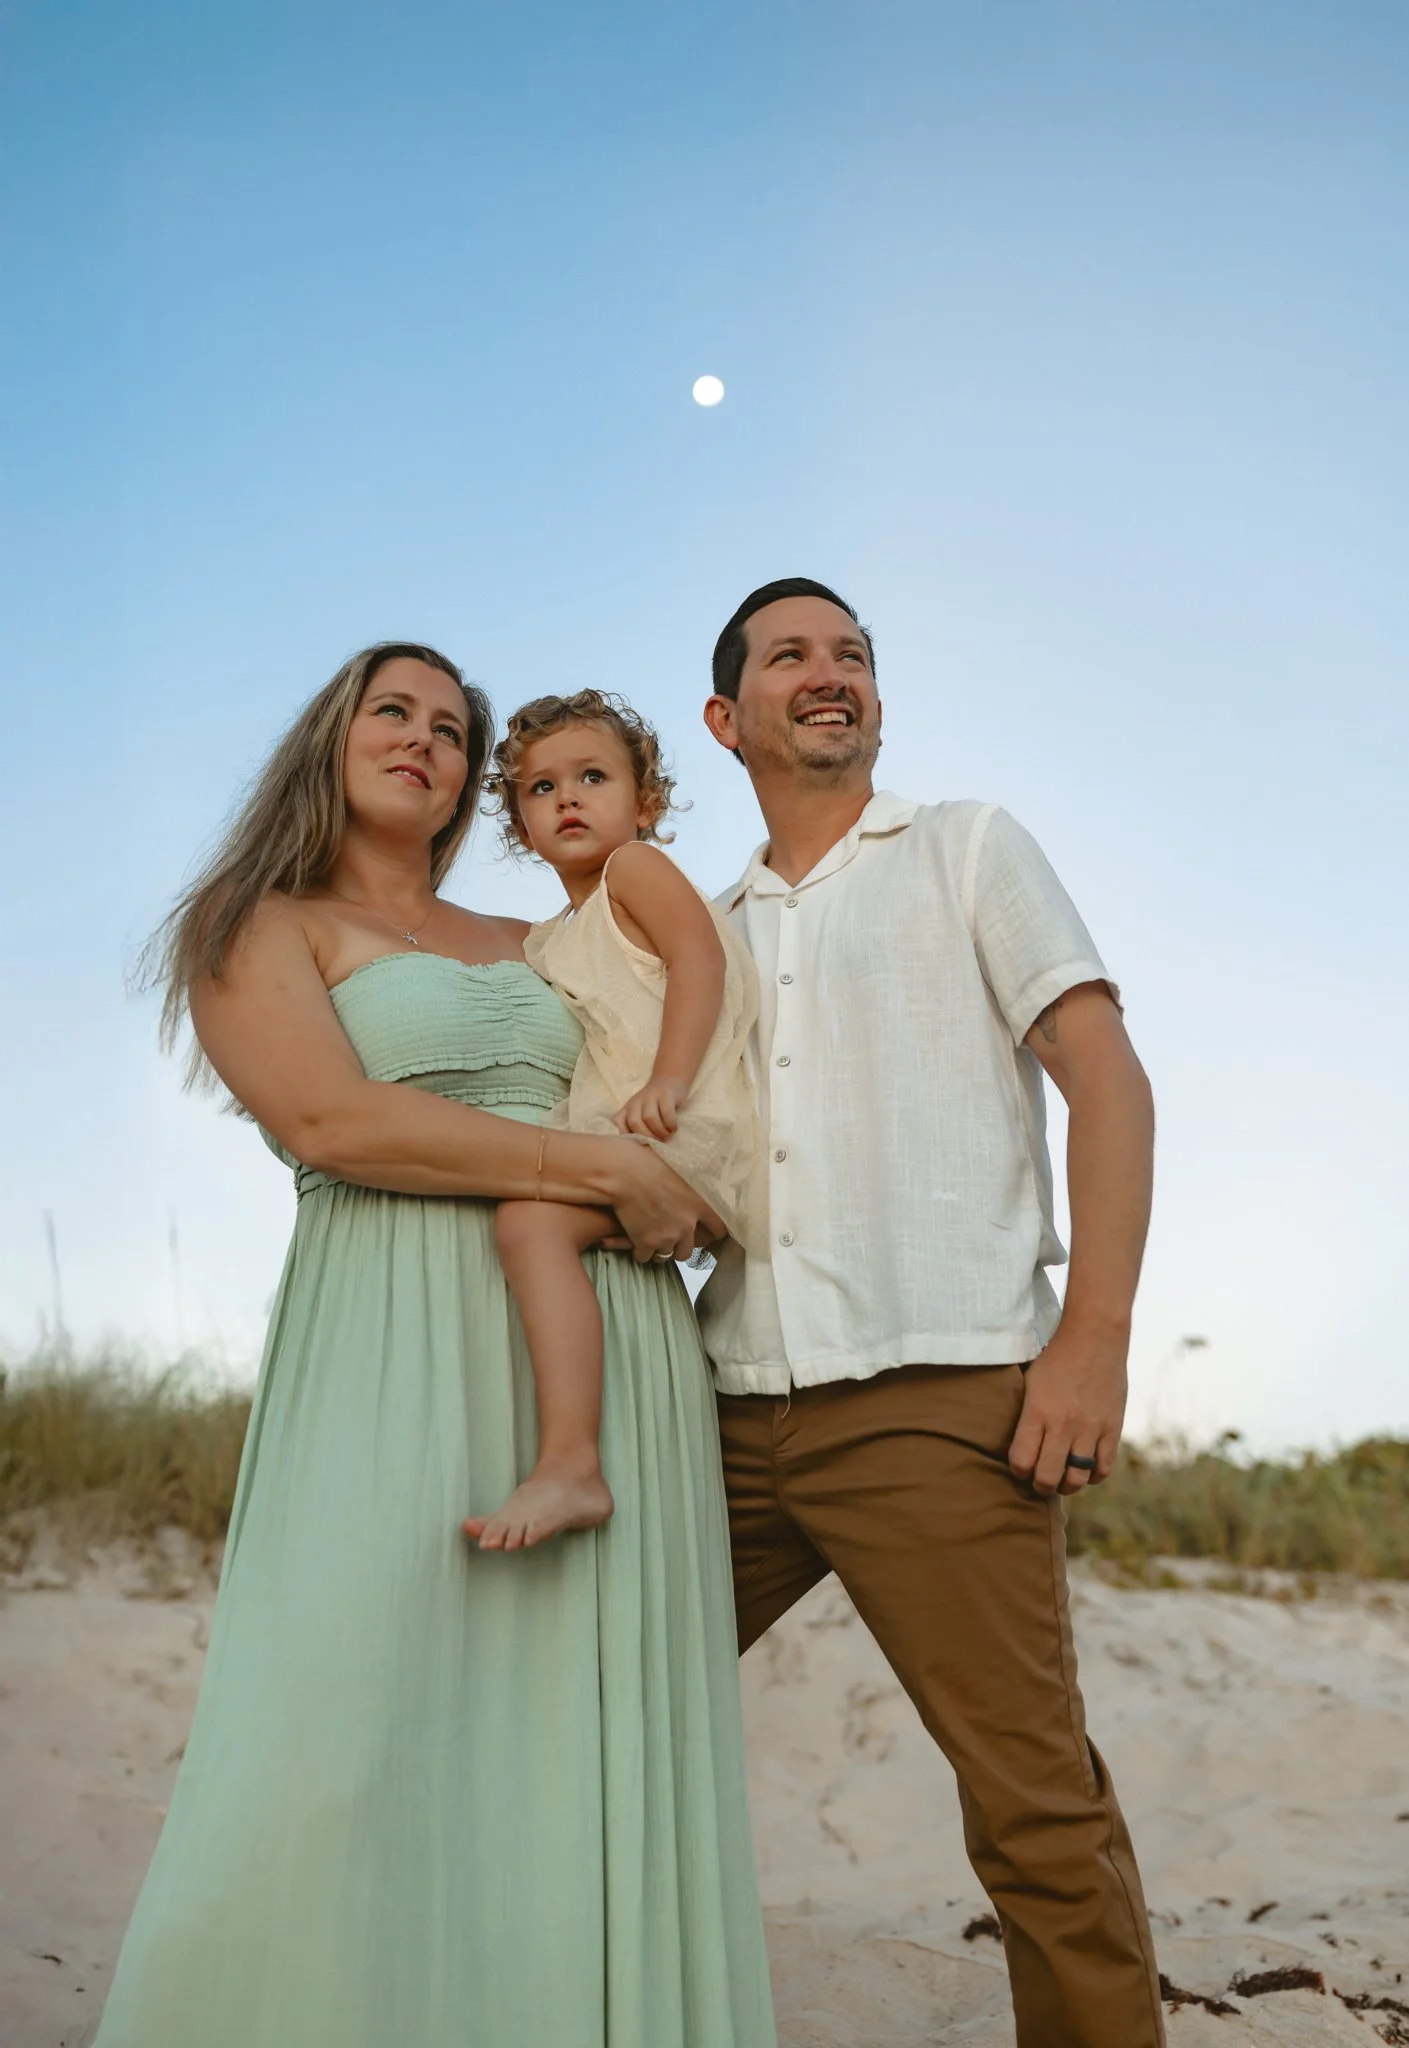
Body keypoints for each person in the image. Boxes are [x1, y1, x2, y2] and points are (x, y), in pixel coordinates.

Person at [96, 643, 777, 2048]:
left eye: (454, 731)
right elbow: (333, 1125)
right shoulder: (257, 921)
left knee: (573, 1747)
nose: (424, 740)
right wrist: (594, 1173)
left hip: (603, 1351)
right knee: (340, 1720)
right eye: (391, 712)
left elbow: (661, 1068)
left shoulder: (537, 938)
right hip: (389, 1338)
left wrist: (676, 1178)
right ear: (330, 739)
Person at [697, 579, 1166, 2048]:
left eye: (852, 656)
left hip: (938, 1396)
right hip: (716, 1404)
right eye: (791, 657)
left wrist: (1089, 1340)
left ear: (878, 702)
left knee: (1031, 1806)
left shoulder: (967, 847)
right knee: (569, 1713)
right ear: (729, 719)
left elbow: (1108, 1082)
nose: (828, 674)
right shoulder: (696, 930)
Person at [464, 690, 762, 1552]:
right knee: (532, 1231)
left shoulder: (634, 871)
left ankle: (570, 1466)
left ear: (645, 802)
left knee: (526, 1224)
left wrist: (669, 1075)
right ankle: (570, 1442)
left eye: (592, 777)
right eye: (540, 788)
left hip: (687, 1127)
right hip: (636, 1143)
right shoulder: (548, 938)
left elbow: (698, 956)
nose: (566, 798)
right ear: (519, 823)